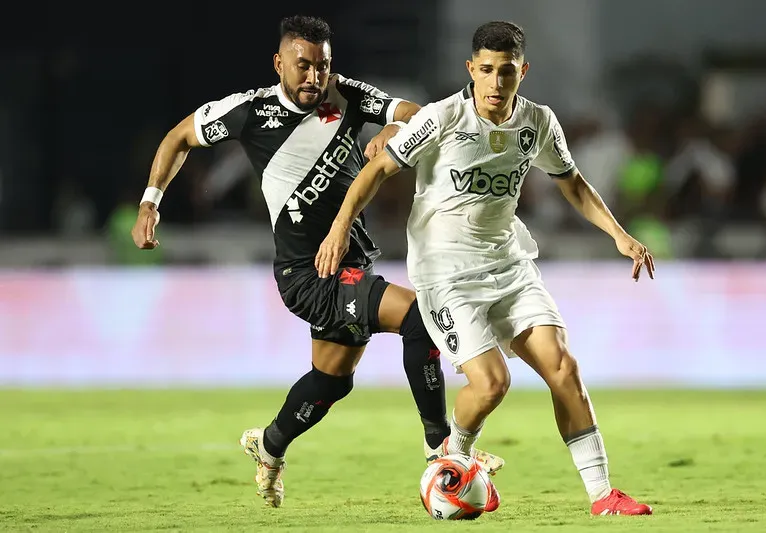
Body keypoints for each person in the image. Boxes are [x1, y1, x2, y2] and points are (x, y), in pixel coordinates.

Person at [130, 15, 503, 508]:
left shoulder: (345, 94)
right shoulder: (248, 111)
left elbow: (417, 112)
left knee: (332, 379)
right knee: (420, 318)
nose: (313, 78)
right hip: (307, 274)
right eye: (302, 66)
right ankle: (442, 449)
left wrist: (392, 124)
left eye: (322, 67)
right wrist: (151, 201)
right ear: (279, 63)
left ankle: (268, 445)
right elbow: (178, 137)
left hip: (349, 263)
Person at [316, 20, 655, 516]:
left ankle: (603, 495)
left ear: (524, 71)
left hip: (509, 263)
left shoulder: (537, 122)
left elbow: (573, 183)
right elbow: (376, 170)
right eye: (489, 71)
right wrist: (339, 226)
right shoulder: (440, 119)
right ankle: (454, 457)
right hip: (446, 274)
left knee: (564, 368)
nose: (497, 83)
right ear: (471, 69)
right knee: (492, 384)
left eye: (509, 72)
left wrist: (620, 235)